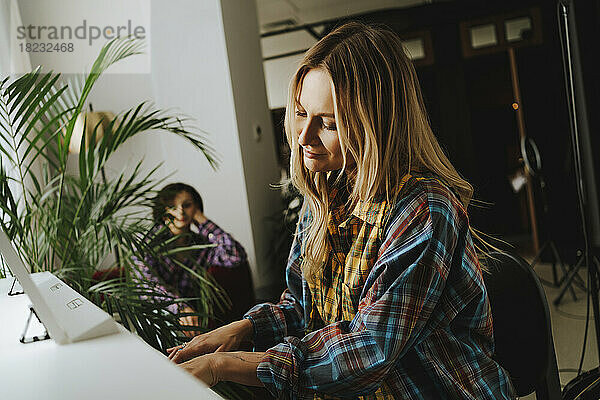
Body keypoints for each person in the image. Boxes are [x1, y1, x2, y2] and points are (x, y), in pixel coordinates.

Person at [166, 22, 515, 399]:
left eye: (328, 123)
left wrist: (223, 365)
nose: (303, 136)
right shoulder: (325, 194)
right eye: (300, 113)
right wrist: (244, 329)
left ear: (375, 125)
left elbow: (369, 352)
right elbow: (303, 306)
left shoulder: (424, 209)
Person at [134, 183, 250, 336]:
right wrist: (180, 308)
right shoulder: (147, 243)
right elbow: (148, 287)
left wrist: (201, 220)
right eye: (172, 206)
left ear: (196, 208)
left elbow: (236, 256)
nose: (180, 211)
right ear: (162, 211)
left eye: (187, 205)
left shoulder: (202, 245)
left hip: (194, 318)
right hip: (158, 316)